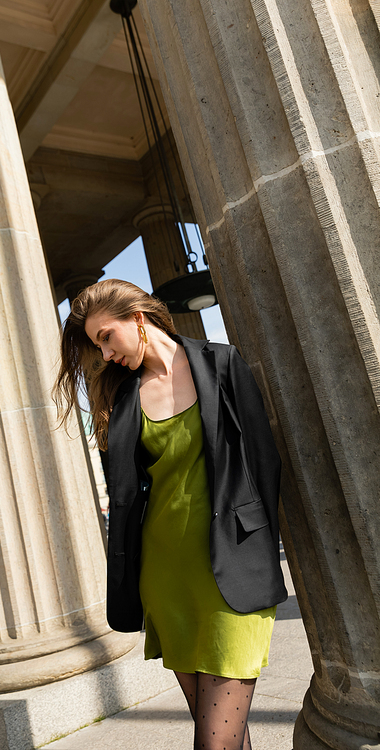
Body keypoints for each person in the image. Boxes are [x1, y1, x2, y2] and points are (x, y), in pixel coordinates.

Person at [54, 278, 288, 750]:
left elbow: (264, 461)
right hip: (165, 577)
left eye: (105, 338)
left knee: (214, 742)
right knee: (226, 737)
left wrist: (260, 546)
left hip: (231, 567)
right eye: (96, 346)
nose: (104, 355)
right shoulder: (123, 400)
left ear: (137, 318)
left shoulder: (220, 363)